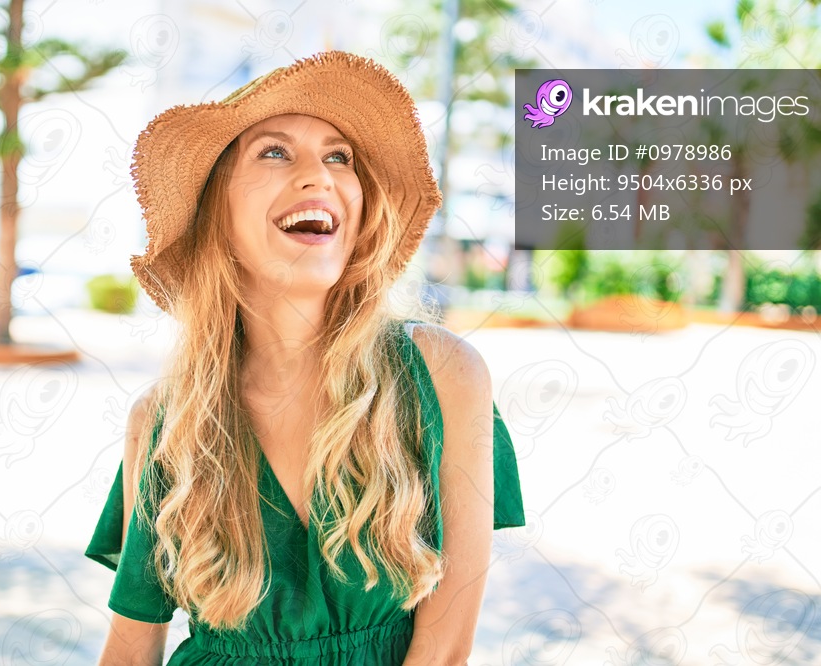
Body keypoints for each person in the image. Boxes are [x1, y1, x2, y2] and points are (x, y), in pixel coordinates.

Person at [85, 50, 525, 665]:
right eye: (274, 151)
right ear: (219, 212)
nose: (319, 176)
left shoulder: (443, 375)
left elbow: (446, 650)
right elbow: (131, 648)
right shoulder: (163, 419)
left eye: (338, 156)